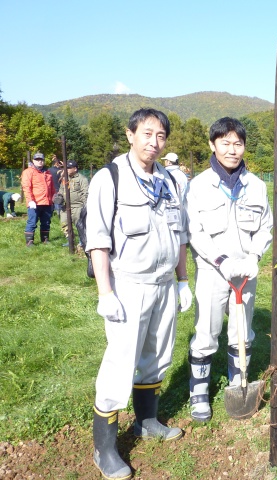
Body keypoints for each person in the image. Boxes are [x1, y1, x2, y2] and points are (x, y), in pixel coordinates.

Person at [85, 108, 193, 480]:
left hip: (164, 284)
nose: (154, 142)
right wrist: (105, 292)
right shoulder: (110, 178)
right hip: (128, 285)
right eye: (147, 133)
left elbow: (180, 236)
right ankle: (105, 450)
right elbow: (97, 240)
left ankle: (146, 421)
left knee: (157, 356)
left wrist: (182, 281)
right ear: (130, 135)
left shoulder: (170, 180)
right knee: (120, 364)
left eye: (161, 135)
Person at [185, 117, 273, 422]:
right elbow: (194, 231)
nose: (232, 149)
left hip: (246, 272)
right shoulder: (198, 186)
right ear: (212, 145)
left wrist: (254, 256)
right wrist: (220, 261)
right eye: (225, 142)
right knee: (206, 333)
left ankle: (239, 382)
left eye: (238, 143)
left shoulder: (257, 187)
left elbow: (265, 227)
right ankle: (199, 393)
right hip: (212, 271)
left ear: (244, 146)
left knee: (242, 333)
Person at [21, 152, 55, 246]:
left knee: (46, 222)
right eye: (37, 160)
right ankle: (29, 242)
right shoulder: (28, 172)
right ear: (33, 161)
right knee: (32, 222)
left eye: (41, 160)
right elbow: (26, 187)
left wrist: (53, 198)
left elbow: (52, 188)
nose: (40, 162)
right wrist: (30, 200)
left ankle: (45, 239)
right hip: (35, 202)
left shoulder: (47, 172)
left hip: (47, 202)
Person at [58, 160, 89, 247]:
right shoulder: (65, 178)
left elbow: (85, 193)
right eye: (66, 167)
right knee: (64, 223)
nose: (66, 169)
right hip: (66, 206)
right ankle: (70, 240)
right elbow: (61, 189)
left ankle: (82, 242)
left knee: (80, 225)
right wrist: (59, 196)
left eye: (69, 168)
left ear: (75, 169)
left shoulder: (82, 179)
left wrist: (86, 206)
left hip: (78, 207)